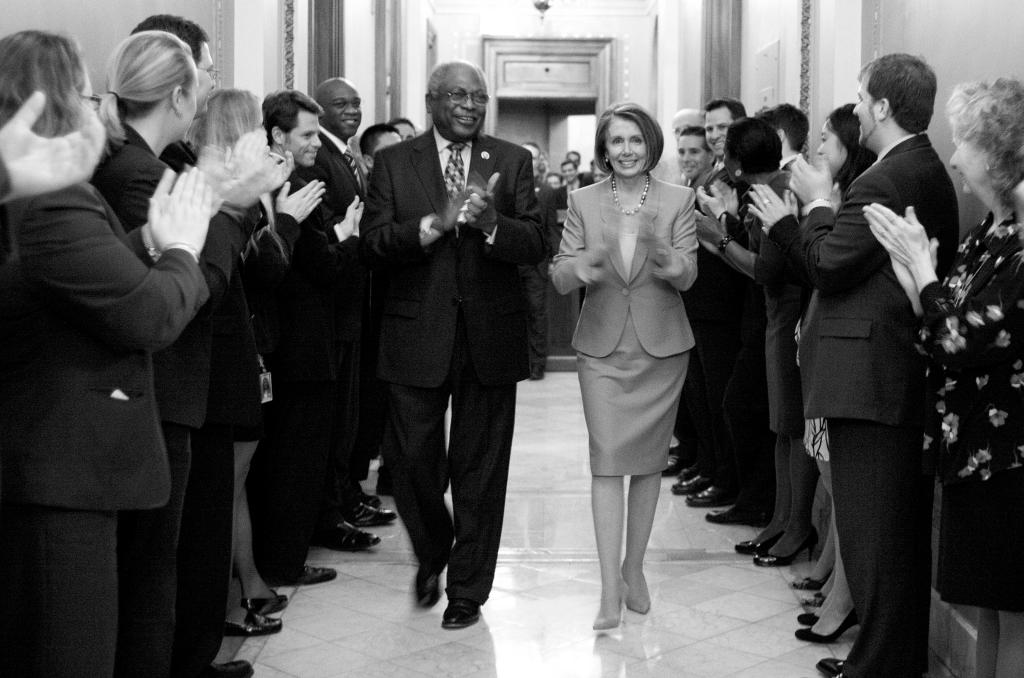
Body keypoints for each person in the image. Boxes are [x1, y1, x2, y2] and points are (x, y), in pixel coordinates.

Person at [0, 29, 214, 678]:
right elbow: (150, 315)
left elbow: (79, 279)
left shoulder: (38, 197)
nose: (101, 110)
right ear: (58, 105)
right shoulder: (49, 199)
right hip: (58, 470)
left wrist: (148, 239)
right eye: (88, 95)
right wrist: (182, 247)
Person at [760, 53, 959, 678]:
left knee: (876, 539)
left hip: (872, 378)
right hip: (888, 373)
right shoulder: (917, 166)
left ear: (880, 107)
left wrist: (814, 208)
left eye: (860, 96)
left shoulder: (884, 179)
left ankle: (880, 665)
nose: (854, 108)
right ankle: (887, 657)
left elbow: (827, 264)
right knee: (888, 537)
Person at [360, 59, 546, 630]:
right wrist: (432, 226)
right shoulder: (395, 161)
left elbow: (537, 241)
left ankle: (468, 589)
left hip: (489, 337)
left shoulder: (511, 161)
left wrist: (493, 223)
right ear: (432, 100)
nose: (470, 105)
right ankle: (433, 547)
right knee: (412, 462)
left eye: (480, 97)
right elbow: (372, 242)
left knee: (481, 470)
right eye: (459, 96)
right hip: (415, 335)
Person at [863, 77, 1024, 678]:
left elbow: (955, 336)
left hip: (1007, 458)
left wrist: (923, 274)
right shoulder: (991, 232)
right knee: (988, 605)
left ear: (1001, 153)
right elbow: (938, 321)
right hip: (972, 448)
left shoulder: (1019, 248)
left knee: (1011, 611)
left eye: (965, 143)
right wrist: (916, 272)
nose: (954, 157)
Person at [551, 102, 698, 630]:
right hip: (602, 350)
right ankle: (609, 587)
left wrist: (666, 257)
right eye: (617, 141)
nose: (627, 150)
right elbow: (561, 274)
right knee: (607, 462)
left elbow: (687, 276)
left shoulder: (679, 199)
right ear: (604, 148)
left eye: (636, 140)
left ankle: (634, 568)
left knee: (649, 466)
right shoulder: (582, 201)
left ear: (651, 144)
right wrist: (581, 266)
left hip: (662, 348)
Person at [674, 97, 748, 509]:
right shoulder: (704, 180)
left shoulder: (729, 180)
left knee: (719, 397)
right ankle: (708, 465)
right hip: (697, 300)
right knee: (701, 394)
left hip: (723, 305)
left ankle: (723, 474)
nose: (716, 134)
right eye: (710, 127)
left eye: (721, 129)